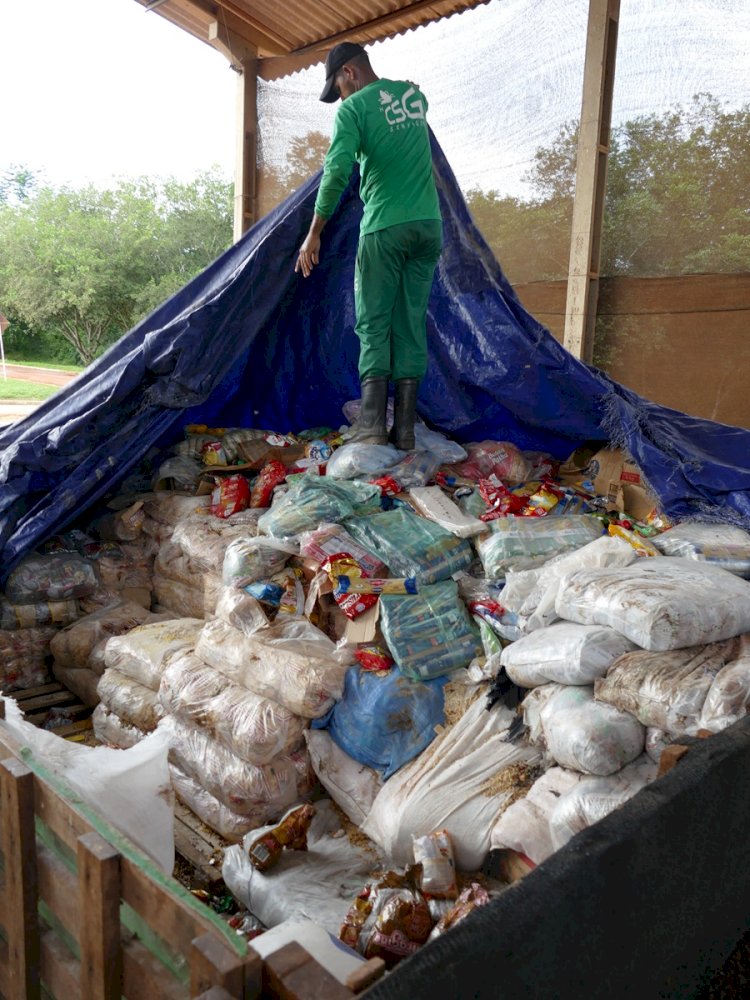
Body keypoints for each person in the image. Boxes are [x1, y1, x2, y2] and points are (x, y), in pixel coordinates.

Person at [295, 42, 442, 450]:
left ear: (350, 73)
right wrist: (408, 90)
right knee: (410, 323)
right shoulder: (413, 97)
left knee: (374, 322)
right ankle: (406, 433)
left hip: (386, 227)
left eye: (338, 87)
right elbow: (417, 98)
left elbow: (338, 169)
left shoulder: (353, 108)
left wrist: (315, 230)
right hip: (429, 228)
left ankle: (374, 429)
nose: (340, 97)